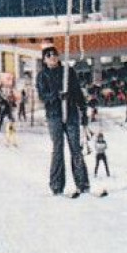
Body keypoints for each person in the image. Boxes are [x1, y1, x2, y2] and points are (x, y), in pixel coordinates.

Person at [36, 46, 91, 198]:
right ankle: (56, 185)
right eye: (48, 55)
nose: (52, 57)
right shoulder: (42, 76)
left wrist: (83, 110)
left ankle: (83, 183)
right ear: (44, 59)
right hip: (54, 115)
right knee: (58, 148)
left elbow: (78, 92)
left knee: (76, 148)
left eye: (54, 54)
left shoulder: (68, 72)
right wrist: (57, 95)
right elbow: (42, 96)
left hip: (71, 113)